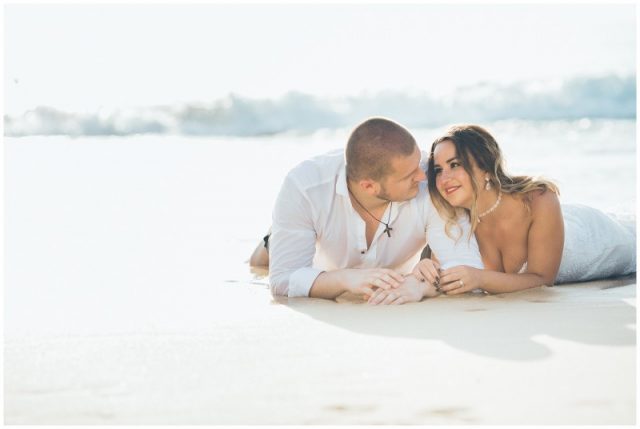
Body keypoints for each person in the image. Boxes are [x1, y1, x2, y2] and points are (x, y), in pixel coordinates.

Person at [369, 124, 636, 303]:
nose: (444, 178)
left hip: (601, 239)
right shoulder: (454, 219)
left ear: (485, 167)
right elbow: (447, 268)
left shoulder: (538, 199)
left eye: (455, 164)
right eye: (438, 169)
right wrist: (424, 266)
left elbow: (543, 280)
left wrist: (480, 278)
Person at [256, 117, 482, 304]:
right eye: (408, 176)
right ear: (369, 186)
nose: (423, 176)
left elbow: (465, 264)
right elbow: (282, 280)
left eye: (418, 164)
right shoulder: (305, 187)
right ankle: (273, 236)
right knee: (261, 260)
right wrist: (345, 279)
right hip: (317, 251)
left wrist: (420, 284)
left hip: (398, 265)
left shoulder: (430, 180)